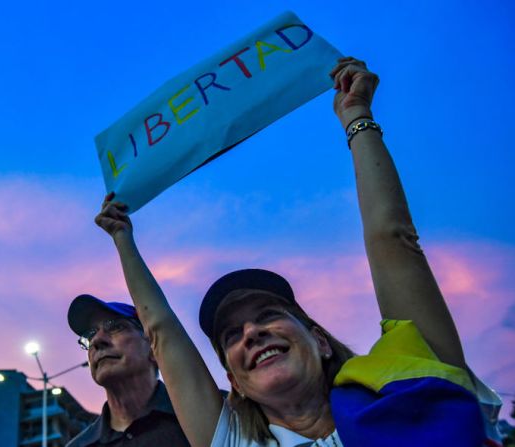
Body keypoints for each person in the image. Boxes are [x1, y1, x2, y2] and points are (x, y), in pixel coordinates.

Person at [94, 57, 502, 447]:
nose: (252, 333)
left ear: (321, 341)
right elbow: (161, 332)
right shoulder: (231, 441)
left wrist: (357, 117)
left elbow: (394, 240)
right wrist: (122, 238)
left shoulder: (412, 385)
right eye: (232, 335)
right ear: (234, 381)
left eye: (269, 315)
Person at [65, 294, 190, 447]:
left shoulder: (207, 415)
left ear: (152, 346)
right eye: (90, 335)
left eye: (116, 327)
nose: (96, 341)